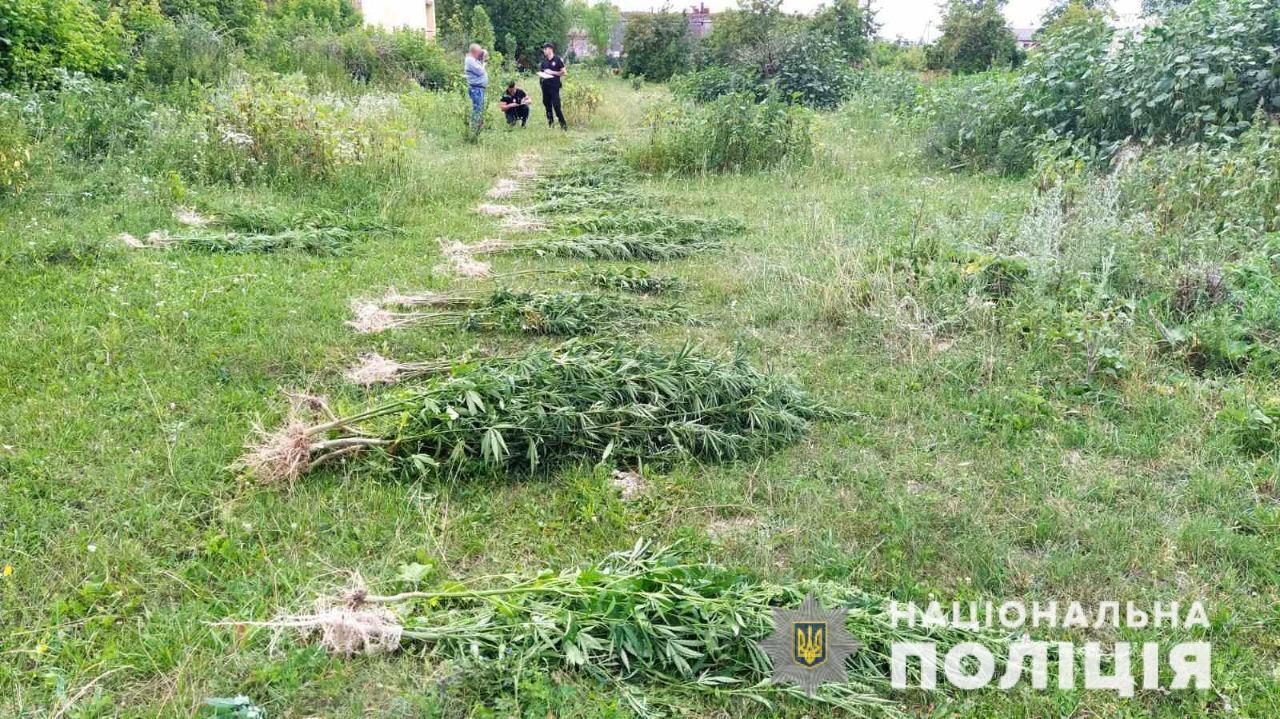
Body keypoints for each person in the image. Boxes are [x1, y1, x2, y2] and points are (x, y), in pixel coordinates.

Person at [538, 42, 567, 130]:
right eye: (543, 49)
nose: (544, 51)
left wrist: (552, 72)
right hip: (545, 86)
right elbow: (542, 73)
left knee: (556, 105)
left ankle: (563, 125)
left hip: (554, 86)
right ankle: (551, 125)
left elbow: (564, 72)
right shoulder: (544, 62)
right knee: (547, 106)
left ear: (550, 49)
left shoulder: (557, 59)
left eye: (545, 49)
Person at [464, 43, 488, 130]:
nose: (480, 54)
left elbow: (484, 55)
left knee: (480, 108)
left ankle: (479, 126)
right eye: (479, 52)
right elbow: (480, 71)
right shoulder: (470, 60)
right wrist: (484, 64)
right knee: (477, 108)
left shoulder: (474, 60)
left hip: (479, 88)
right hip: (476, 88)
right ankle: (474, 128)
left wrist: (482, 57)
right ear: (474, 52)